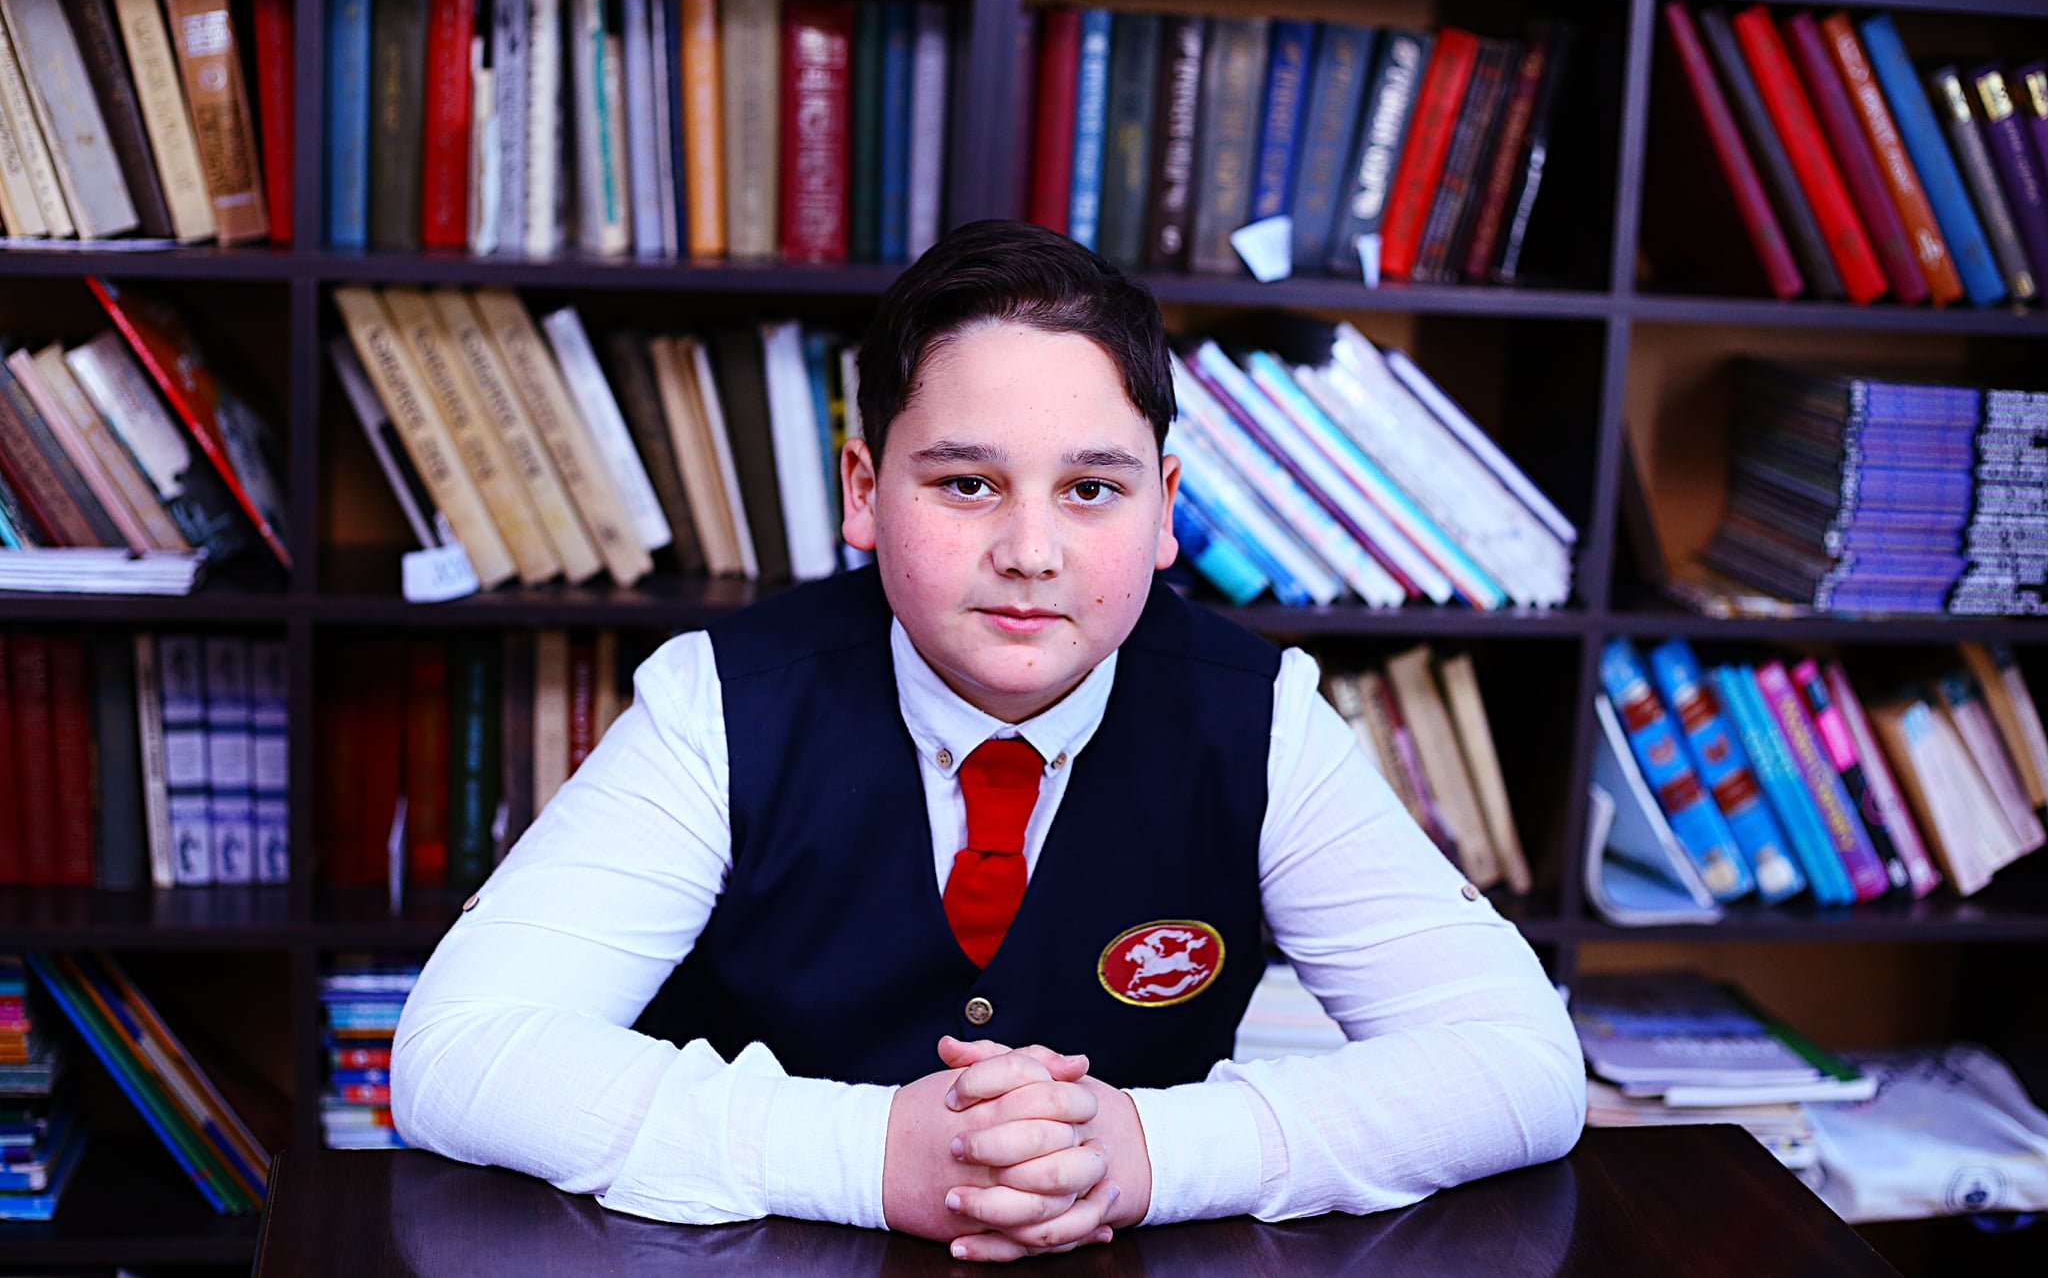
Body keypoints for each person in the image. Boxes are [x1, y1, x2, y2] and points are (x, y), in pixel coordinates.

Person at [391, 219, 1584, 1263]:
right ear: (863, 491)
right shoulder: (719, 701)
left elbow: (1518, 1062)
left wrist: (1146, 1152)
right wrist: (867, 1155)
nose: (1028, 552)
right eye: (966, 484)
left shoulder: (1258, 717)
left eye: (1091, 489)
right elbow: (458, 1051)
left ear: (1165, 509)